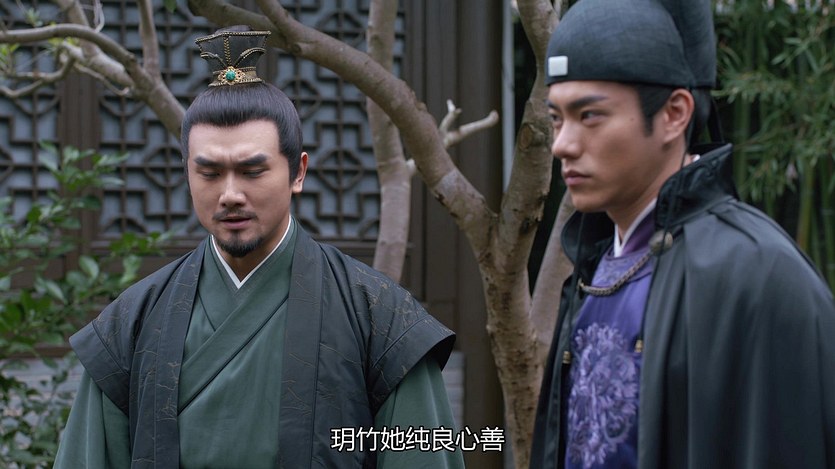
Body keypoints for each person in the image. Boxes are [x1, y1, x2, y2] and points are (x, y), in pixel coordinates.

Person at [54, 27, 464, 469]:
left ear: (298, 172)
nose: (230, 194)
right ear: (187, 174)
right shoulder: (133, 322)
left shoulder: (379, 318)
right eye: (210, 173)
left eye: (252, 171)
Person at [530, 1, 835, 468]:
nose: (562, 144)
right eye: (556, 118)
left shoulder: (758, 275)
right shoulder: (593, 265)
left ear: (674, 113)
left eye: (589, 115)